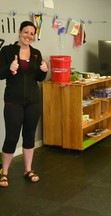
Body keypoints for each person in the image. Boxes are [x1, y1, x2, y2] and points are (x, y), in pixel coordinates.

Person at [0, 21, 48, 187]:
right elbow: (0, 74)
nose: (29, 35)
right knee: (12, 137)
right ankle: (4, 172)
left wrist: (44, 71)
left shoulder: (36, 53)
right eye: (26, 32)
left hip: (33, 101)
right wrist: (9, 68)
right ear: (19, 32)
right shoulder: (7, 51)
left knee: (29, 136)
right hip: (13, 100)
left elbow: (38, 79)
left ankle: (28, 169)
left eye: (32, 33)